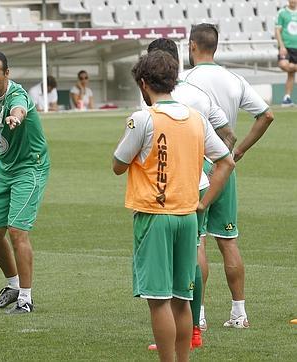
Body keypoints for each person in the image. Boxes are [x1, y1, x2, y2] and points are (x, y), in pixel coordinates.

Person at [113, 50, 234, 362]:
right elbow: (226, 161)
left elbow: (117, 164)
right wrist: (203, 202)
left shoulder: (142, 119)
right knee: (182, 299)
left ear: (143, 83)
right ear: (174, 80)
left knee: (159, 300)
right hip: (188, 217)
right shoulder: (196, 119)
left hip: (155, 216)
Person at [143, 37, 237, 350]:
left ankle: (179, 333)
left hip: (163, 192)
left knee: (165, 270)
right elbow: (228, 136)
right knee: (193, 251)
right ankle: (194, 328)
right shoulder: (199, 96)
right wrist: (209, 169)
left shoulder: (151, 104)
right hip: (198, 184)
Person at [180, 23, 274, 330]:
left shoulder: (186, 80)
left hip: (197, 164)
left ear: (192, 45)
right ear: (215, 47)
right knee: (229, 240)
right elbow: (266, 115)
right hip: (226, 164)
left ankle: (200, 314)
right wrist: (239, 152)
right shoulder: (234, 79)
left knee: (198, 243)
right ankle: (239, 313)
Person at [0, 51, 50, 314]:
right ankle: (13, 285)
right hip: (5, 168)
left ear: (7, 74)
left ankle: (26, 299)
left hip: (31, 167)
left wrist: (15, 117)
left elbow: (18, 109)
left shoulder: (17, 96)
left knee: (17, 231)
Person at [276, 0, 297, 106]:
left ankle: (287, 98)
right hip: (286, 48)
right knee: (284, 65)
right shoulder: (282, 13)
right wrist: (281, 46)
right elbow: (277, 30)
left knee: (291, 72)